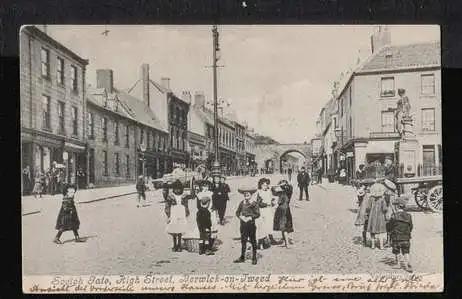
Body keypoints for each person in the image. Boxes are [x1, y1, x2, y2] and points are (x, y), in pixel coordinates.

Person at [234, 187, 260, 265]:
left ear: (251, 195)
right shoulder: (242, 203)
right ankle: (242, 257)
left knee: (253, 240)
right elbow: (237, 212)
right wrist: (240, 217)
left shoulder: (254, 203)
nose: (246, 195)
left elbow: (258, 214)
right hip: (243, 224)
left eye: (248, 194)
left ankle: (254, 257)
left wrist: (250, 217)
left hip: (251, 224)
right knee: (243, 240)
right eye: (245, 194)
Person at [388, 197, 413, 272]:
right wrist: (407, 233)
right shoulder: (409, 216)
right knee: (406, 252)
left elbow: (390, 227)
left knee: (397, 251)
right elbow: (411, 226)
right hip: (406, 238)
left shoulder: (394, 216)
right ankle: (408, 263)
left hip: (396, 238)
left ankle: (398, 263)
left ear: (397, 206)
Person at [165, 180, 190, 252]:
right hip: (174, 213)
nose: (177, 190)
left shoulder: (184, 196)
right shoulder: (171, 196)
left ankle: (179, 245)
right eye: (176, 189)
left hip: (181, 213)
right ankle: (174, 245)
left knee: (180, 230)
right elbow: (167, 206)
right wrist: (168, 215)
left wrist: (186, 213)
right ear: (173, 189)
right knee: (174, 230)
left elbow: (186, 205)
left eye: (179, 189)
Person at [272, 180, 294, 248]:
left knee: (285, 227)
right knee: (282, 227)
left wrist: (286, 184)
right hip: (280, 210)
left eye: (283, 186)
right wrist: (276, 186)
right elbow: (273, 191)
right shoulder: (280, 193)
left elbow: (290, 188)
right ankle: (285, 242)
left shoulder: (288, 193)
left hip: (285, 210)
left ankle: (287, 243)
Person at [367, 183, 389, 249]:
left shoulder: (371, 198)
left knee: (372, 231)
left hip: (372, 216)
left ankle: (373, 245)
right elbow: (384, 208)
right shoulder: (382, 199)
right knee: (381, 232)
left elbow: (368, 208)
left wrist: (368, 213)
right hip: (380, 216)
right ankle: (381, 245)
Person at [196, 180, 215, 255]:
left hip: (210, 212)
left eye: (206, 186)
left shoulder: (211, 194)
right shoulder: (199, 195)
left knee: (209, 232)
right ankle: (203, 248)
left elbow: (214, 203)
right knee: (204, 232)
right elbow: (197, 206)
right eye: (204, 186)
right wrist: (204, 209)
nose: (205, 188)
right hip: (203, 215)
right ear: (201, 187)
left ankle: (207, 247)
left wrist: (213, 208)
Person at [254, 178, 275, 249]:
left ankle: (270, 238)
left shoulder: (269, 192)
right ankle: (261, 242)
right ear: (260, 185)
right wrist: (266, 204)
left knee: (269, 224)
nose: (265, 186)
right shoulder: (259, 192)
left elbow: (270, 198)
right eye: (263, 185)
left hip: (269, 210)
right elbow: (258, 203)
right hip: (262, 211)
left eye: (266, 185)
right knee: (262, 226)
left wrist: (272, 202)